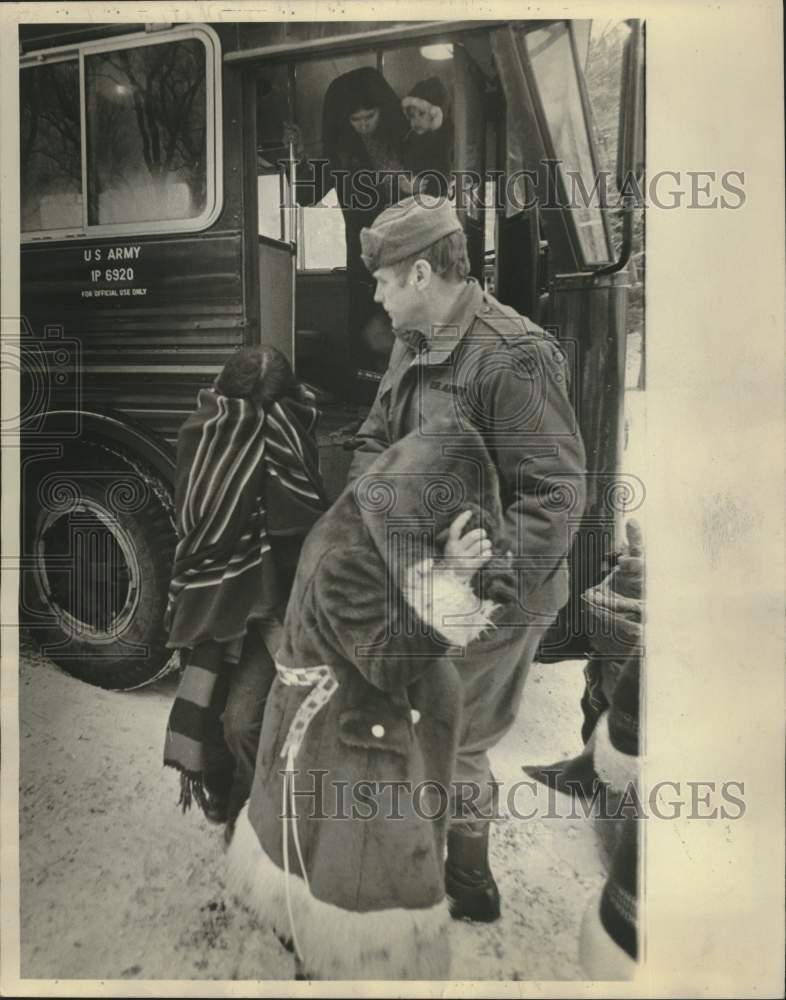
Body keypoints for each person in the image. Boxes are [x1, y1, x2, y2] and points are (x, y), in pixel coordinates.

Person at [347, 195, 587, 923]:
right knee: (441, 729)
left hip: (497, 595)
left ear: (422, 273)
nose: (378, 297)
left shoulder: (512, 355)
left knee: (450, 735)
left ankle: (448, 882)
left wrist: (470, 583)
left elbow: (555, 496)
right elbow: (373, 439)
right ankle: (457, 873)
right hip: (426, 580)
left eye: (385, 281)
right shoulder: (413, 341)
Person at [226, 416, 521, 980]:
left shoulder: (386, 523)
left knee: (343, 866)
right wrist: (452, 576)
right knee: (345, 877)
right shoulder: (344, 555)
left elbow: (459, 583)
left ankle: (326, 948)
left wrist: (476, 574)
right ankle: (327, 958)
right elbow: (387, 661)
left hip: (366, 728)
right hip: (337, 744)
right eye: (439, 537)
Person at [163, 345, 327, 833]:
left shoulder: (292, 438)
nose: (255, 429)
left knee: (245, 723)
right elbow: (192, 526)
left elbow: (306, 529)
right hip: (217, 608)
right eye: (246, 419)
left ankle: (251, 816)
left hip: (273, 613)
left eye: (269, 421)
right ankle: (226, 794)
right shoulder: (205, 436)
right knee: (215, 719)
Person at [284, 67, 412, 395]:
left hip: (410, 252)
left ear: (384, 110)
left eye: (370, 115)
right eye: (356, 119)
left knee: (409, 331)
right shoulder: (340, 153)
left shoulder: (407, 141)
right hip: (364, 261)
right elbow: (306, 195)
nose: (364, 124)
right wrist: (297, 157)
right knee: (370, 341)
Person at [402, 76, 454, 199]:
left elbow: (447, 177)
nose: (416, 120)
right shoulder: (410, 138)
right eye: (412, 115)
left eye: (421, 113)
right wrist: (404, 184)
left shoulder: (448, 138)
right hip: (414, 201)